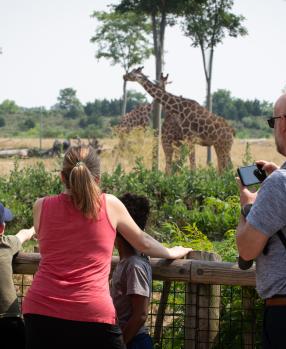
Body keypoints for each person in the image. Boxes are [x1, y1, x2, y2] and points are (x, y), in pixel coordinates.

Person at [22, 145, 191, 349]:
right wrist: (172, 251)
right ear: (98, 179)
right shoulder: (109, 204)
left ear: (61, 177)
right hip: (92, 314)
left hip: (40, 310)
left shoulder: (41, 205)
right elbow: (143, 242)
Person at [236, 88, 286, 349]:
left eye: (272, 122)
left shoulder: (282, 183)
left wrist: (248, 206)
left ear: (283, 122)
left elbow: (247, 248)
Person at [111, 193, 153, 349]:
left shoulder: (134, 265)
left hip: (134, 341)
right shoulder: (127, 262)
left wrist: (121, 343)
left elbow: (140, 315)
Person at [0, 202, 35, 349]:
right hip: (8, 320)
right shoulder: (5, 244)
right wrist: (34, 228)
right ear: (1, 228)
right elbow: (23, 234)